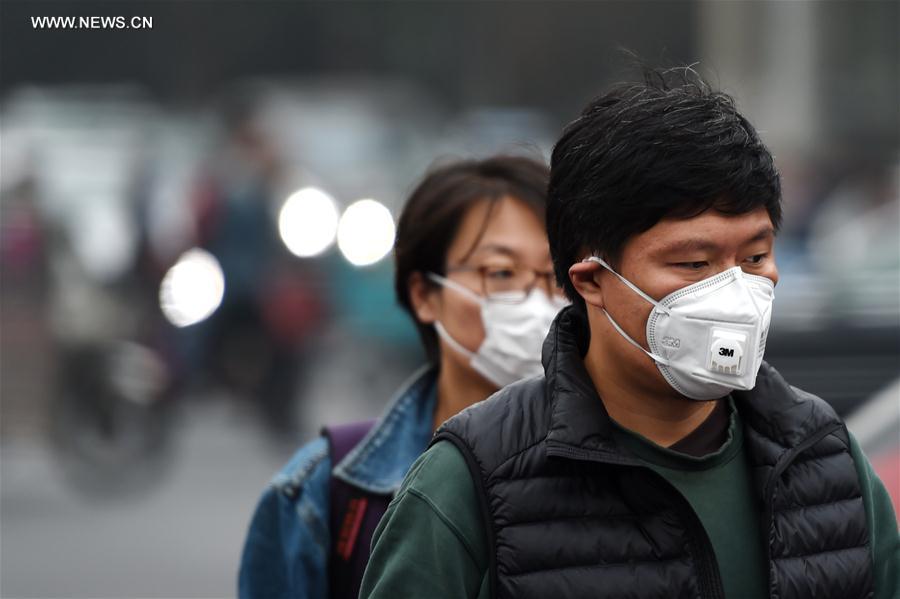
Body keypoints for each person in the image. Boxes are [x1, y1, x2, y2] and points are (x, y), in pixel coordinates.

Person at [359, 68, 900, 599]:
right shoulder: (470, 487)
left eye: (755, 257)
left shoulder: (826, 462)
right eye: (693, 263)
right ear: (592, 280)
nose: (735, 291)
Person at [238, 155, 567, 599]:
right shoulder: (320, 492)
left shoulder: (626, 467)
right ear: (424, 294)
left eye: (555, 277)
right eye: (501, 273)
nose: (536, 301)